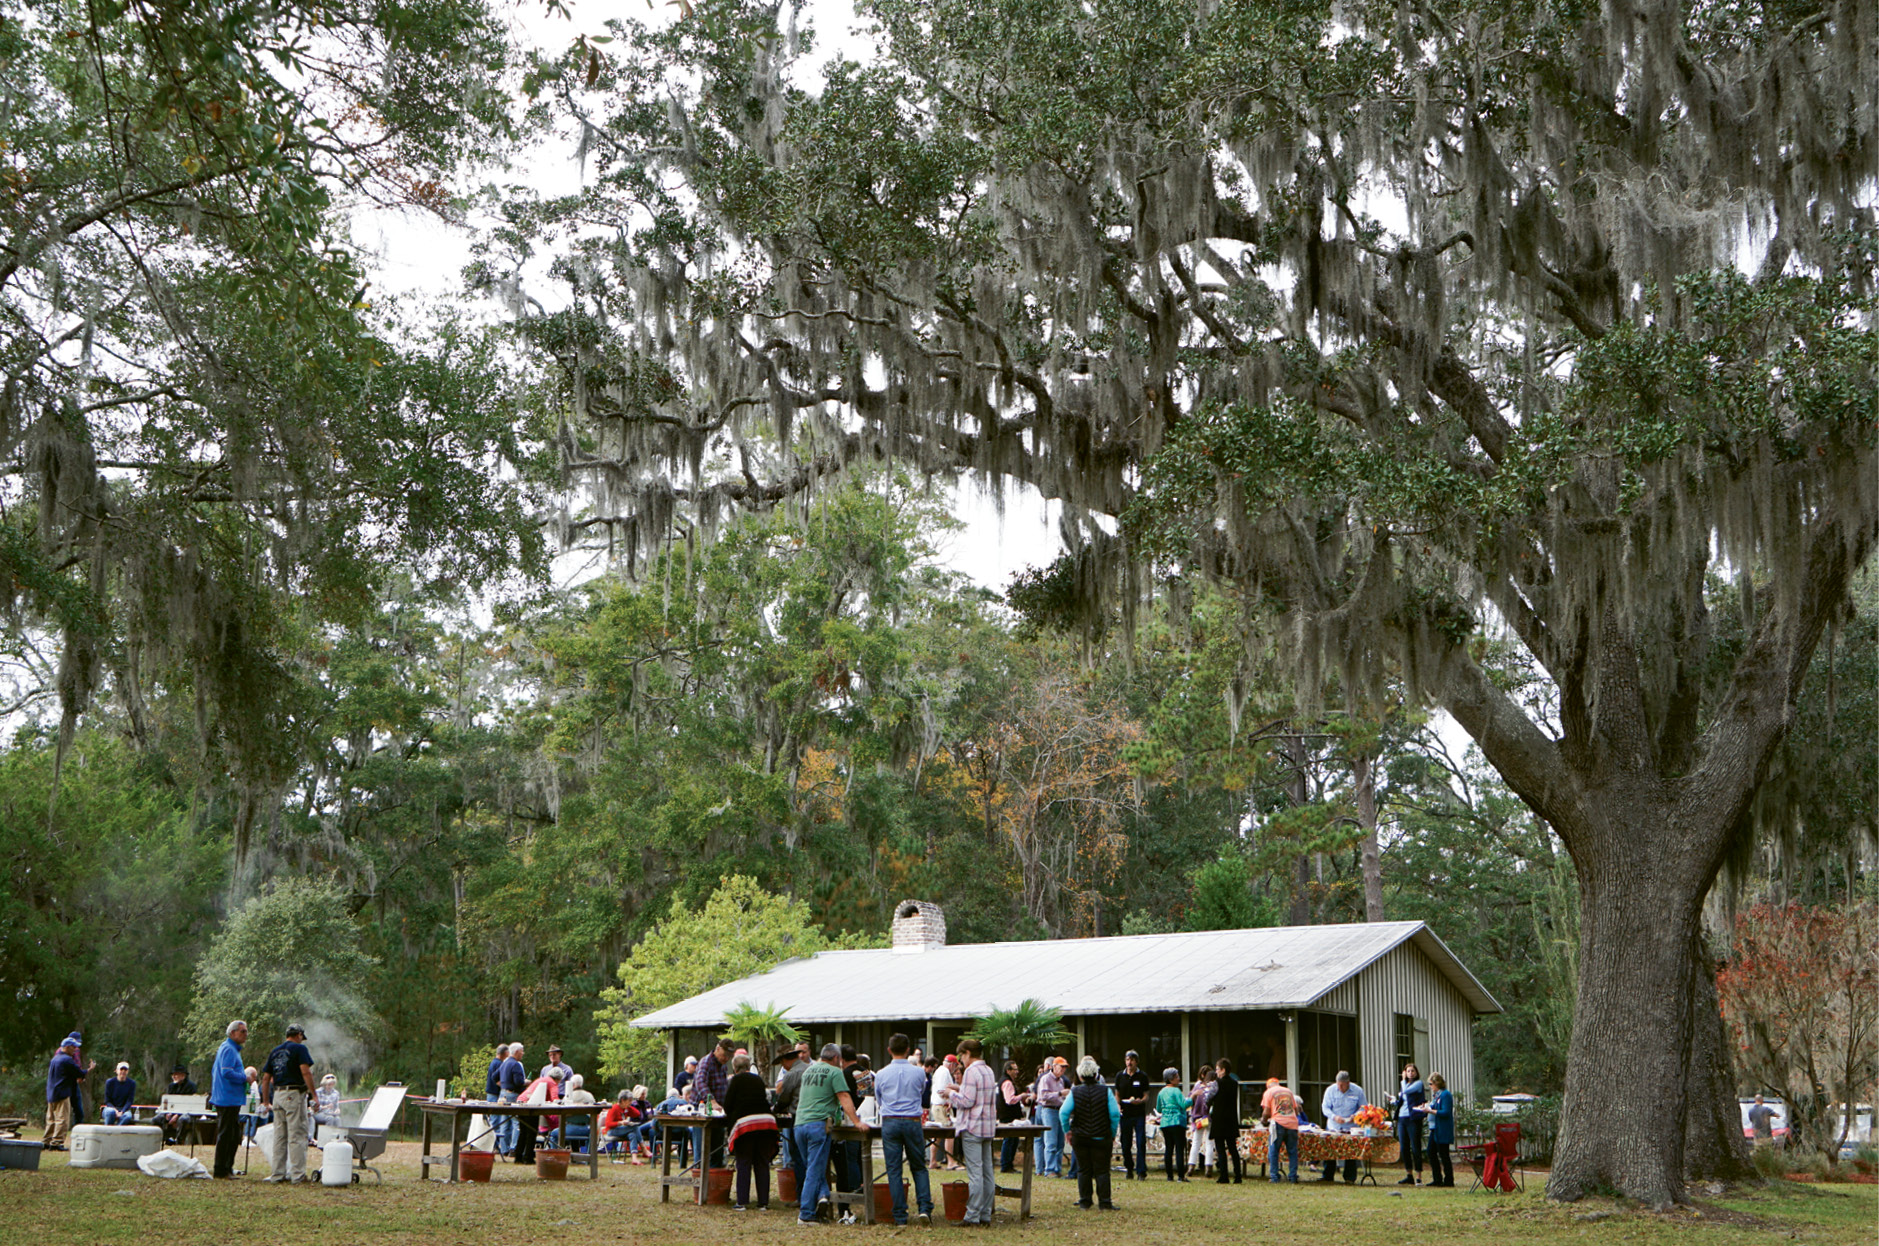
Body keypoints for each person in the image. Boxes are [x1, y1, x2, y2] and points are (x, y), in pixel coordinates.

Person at [795, 1043, 864, 1226]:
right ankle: (806, 1214)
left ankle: (823, 1196)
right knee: (814, 1170)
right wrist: (856, 1122)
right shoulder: (835, 1072)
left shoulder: (808, 1071)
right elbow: (844, 1096)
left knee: (812, 1166)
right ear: (836, 1059)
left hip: (799, 1124)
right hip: (818, 1124)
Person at [875, 1034, 934, 1226]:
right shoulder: (919, 1073)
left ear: (889, 1050)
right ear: (908, 1050)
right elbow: (920, 1092)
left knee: (894, 1169)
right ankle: (924, 1207)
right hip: (912, 1120)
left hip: (890, 1120)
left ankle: (900, 1214)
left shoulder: (881, 1073)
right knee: (918, 1166)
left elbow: (879, 1099)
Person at [947, 1038, 1000, 1226]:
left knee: (975, 1174)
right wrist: (959, 1090)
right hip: (987, 1127)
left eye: (962, 1055)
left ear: (968, 1053)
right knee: (987, 1173)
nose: (961, 1059)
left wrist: (951, 1094)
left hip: (972, 1127)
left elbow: (967, 1101)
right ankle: (985, 1214)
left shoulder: (970, 1071)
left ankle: (972, 1216)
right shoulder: (989, 1070)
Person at [1062, 1055, 1120, 1211]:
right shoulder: (1105, 1091)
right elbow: (1114, 1114)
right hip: (1101, 1136)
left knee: (1083, 1169)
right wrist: (1112, 1132)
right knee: (1102, 1170)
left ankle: (1085, 1201)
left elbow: (1063, 1113)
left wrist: (1067, 1131)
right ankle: (1105, 1202)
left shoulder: (1074, 1092)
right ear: (1096, 1075)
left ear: (1080, 1076)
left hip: (1080, 1137)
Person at [722, 1052, 778, 1210]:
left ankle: (742, 1202)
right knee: (762, 1162)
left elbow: (728, 1105)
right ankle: (763, 1203)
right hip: (766, 1122)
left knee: (744, 1161)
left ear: (735, 1067)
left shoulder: (736, 1080)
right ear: (748, 1066)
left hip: (746, 1124)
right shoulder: (758, 1079)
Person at [260, 1023, 315, 1183]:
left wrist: (265, 1101)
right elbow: (305, 1071)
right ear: (298, 1035)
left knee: (280, 1136)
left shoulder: (275, 1051)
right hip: (293, 1094)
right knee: (297, 1135)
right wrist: (314, 1095)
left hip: (277, 1095)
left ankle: (277, 1174)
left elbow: (265, 1078)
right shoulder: (300, 1049)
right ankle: (298, 1175)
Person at [209, 1020, 249, 1179]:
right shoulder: (228, 1049)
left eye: (246, 1031)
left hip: (232, 1098)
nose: (246, 1034)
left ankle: (227, 1167)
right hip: (227, 1099)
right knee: (226, 1134)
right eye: (242, 1031)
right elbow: (226, 1072)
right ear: (232, 1033)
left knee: (233, 1135)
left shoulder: (232, 1049)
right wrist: (244, 1077)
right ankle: (220, 1169)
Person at [689, 1038, 736, 1171]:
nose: (726, 1058)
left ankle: (714, 1173)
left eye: (728, 1056)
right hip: (702, 1108)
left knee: (717, 1146)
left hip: (718, 1111)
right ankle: (700, 1174)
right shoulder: (705, 1062)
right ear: (717, 1049)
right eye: (724, 1055)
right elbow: (701, 1083)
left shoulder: (723, 1065)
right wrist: (713, 1101)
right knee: (702, 1145)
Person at [42, 1033, 93, 1151]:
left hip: (51, 1092)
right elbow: (79, 1073)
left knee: (51, 1119)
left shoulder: (55, 1058)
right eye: (73, 1047)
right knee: (62, 1119)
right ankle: (56, 1143)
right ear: (67, 1047)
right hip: (62, 1093)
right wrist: (89, 1069)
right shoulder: (67, 1060)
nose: (75, 1050)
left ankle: (46, 1141)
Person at [774, 1043, 809, 1200]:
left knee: (799, 1158)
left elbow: (784, 1098)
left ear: (786, 1060)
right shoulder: (810, 1068)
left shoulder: (791, 1074)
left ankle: (802, 1195)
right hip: (816, 1118)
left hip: (798, 1117)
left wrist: (774, 1110)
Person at [1318, 1070, 1367, 1183]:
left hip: (1350, 1126)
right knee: (1329, 1150)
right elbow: (1325, 1107)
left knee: (1350, 1151)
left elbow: (1363, 1107)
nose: (1340, 1087)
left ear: (1348, 1083)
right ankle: (1328, 1175)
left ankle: (1349, 1177)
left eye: (1342, 1085)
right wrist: (1334, 1117)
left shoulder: (1357, 1091)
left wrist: (1355, 1116)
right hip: (1334, 1125)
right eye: (1338, 1084)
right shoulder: (1330, 1090)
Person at [1114, 1050, 1152, 1180]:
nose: (1129, 1062)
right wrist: (1118, 1105)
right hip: (1125, 1113)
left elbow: (1146, 1095)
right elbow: (1117, 1094)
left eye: (1132, 1060)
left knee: (1141, 1142)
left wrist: (1140, 1101)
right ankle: (1129, 1168)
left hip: (1138, 1113)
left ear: (1136, 1061)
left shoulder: (1142, 1076)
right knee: (1125, 1143)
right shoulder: (1120, 1076)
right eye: (1127, 1060)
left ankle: (1141, 1171)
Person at [1392, 1062, 1426, 1186]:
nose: (1410, 1073)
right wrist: (1394, 1100)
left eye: (1412, 1071)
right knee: (1404, 1147)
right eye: (1408, 1071)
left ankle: (1418, 1176)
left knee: (1415, 1147)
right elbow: (1402, 1099)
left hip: (1413, 1118)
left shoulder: (1418, 1084)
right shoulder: (1404, 1085)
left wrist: (1402, 1080)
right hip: (1402, 1118)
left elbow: (1406, 1091)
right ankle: (1409, 1175)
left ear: (1416, 1073)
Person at [1033, 1054, 1067, 1177]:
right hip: (1049, 1110)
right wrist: (1059, 1093)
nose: (1063, 1070)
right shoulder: (1045, 1079)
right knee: (1050, 1141)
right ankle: (1049, 1169)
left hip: (1059, 1109)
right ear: (1054, 1066)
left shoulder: (1061, 1080)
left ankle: (1057, 1168)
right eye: (1061, 1067)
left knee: (1060, 1141)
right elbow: (1043, 1096)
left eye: (1065, 1068)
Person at [1262, 1078, 1301, 1184]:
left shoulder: (1268, 1092)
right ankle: (1293, 1177)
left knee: (1273, 1151)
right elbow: (1296, 1110)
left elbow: (1266, 1112)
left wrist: (1263, 1120)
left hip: (1278, 1124)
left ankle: (1274, 1177)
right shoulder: (1288, 1091)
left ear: (1268, 1086)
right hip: (1292, 1124)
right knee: (1292, 1152)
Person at [1419, 1073, 1455, 1187]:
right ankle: (1437, 1178)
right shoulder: (1436, 1096)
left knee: (1444, 1154)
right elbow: (1433, 1106)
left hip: (1442, 1129)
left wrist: (1430, 1111)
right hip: (1434, 1128)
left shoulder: (1445, 1095)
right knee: (1431, 1152)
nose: (1430, 1086)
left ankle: (1449, 1180)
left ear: (1437, 1083)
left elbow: (1445, 1112)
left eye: (1431, 1084)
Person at [1212, 1058, 1244, 1184]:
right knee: (1232, 1148)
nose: (1216, 1072)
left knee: (1220, 1148)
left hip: (1219, 1118)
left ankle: (1224, 1175)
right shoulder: (1234, 1083)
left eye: (1217, 1069)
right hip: (1231, 1118)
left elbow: (1210, 1097)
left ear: (1223, 1070)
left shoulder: (1216, 1083)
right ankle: (1238, 1175)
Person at [1156, 1067, 1190, 1181]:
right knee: (1179, 1149)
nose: (1179, 1078)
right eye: (1176, 1076)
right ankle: (1181, 1175)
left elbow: (1159, 1108)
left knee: (1168, 1149)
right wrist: (1193, 1098)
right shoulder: (1176, 1091)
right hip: (1177, 1121)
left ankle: (1169, 1175)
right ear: (1171, 1079)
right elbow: (1184, 1104)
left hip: (1165, 1123)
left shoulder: (1161, 1092)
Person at [495, 1041, 527, 1157]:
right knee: (516, 1122)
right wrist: (527, 1083)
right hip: (513, 1095)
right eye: (522, 1051)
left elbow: (494, 1076)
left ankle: (504, 1148)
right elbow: (519, 1082)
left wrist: (503, 1084)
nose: (523, 1054)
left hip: (502, 1094)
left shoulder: (504, 1063)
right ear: (517, 1052)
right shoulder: (516, 1064)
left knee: (504, 1122)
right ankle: (514, 1148)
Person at [997, 1059, 1030, 1172]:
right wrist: (1021, 1096)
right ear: (1008, 1070)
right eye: (1014, 1069)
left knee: (1013, 1140)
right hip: (1009, 1116)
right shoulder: (1007, 1083)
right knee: (1010, 1140)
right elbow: (1009, 1100)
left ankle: (1008, 1164)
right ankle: (1006, 1165)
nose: (1017, 1072)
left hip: (1007, 1115)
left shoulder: (1004, 1081)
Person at [928, 1054, 957, 1170]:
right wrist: (949, 1098)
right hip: (941, 1106)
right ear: (952, 1064)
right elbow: (942, 1091)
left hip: (938, 1105)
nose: (955, 1069)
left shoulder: (940, 1071)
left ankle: (933, 1161)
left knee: (937, 1136)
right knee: (949, 1134)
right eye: (955, 1066)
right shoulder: (944, 1072)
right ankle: (950, 1162)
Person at [155, 1065, 198, 1143]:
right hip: (172, 1111)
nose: (174, 1076)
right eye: (173, 1075)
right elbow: (169, 1101)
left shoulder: (191, 1086)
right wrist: (168, 1113)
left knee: (183, 1119)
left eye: (176, 1074)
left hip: (186, 1112)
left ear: (183, 1075)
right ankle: (161, 1139)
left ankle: (179, 1140)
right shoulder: (171, 1086)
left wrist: (177, 1115)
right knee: (157, 1119)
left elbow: (189, 1104)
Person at [1188, 1065, 1216, 1177]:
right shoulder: (1213, 1087)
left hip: (1198, 1118)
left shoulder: (1197, 1086)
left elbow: (1190, 1100)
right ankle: (1208, 1167)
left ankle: (1191, 1166)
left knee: (1196, 1142)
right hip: (1209, 1118)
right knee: (1209, 1143)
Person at [559, 1073, 597, 1151]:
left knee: (554, 1134)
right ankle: (588, 1153)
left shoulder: (567, 1097)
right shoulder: (589, 1096)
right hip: (586, 1129)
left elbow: (562, 1113)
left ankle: (556, 1155)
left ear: (572, 1084)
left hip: (570, 1129)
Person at [311, 1073, 341, 1143]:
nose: (330, 1086)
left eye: (332, 1084)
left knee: (337, 1119)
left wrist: (337, 1110)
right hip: (318, 1113)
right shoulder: (318, 1092)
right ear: (324, 1084)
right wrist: (326, 1107)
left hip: (330, 1113)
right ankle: (326, 1139)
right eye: (328, 1085)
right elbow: (314, 1107)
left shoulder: (336, 1093)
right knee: (329, 1118)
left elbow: (337, 1106)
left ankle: (338, 1138)